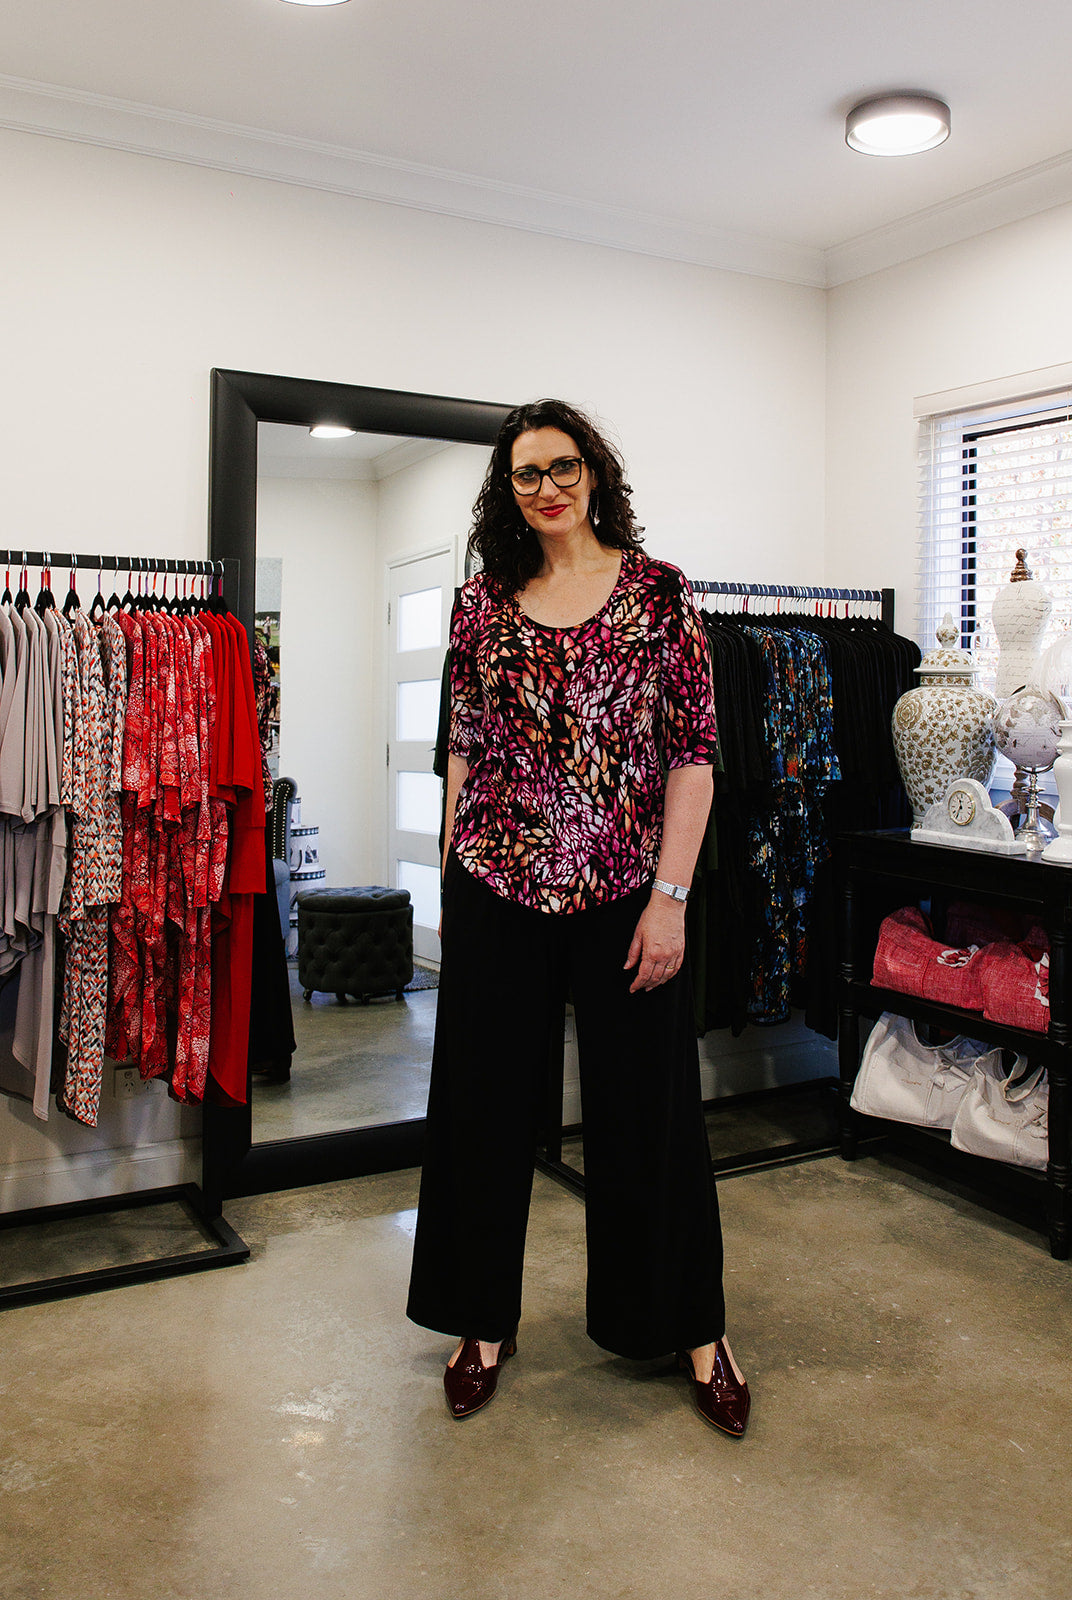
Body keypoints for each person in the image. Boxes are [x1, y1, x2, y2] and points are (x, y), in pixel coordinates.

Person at [405, 399, 750, 1437]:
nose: (547, 487)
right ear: (506, 491)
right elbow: (463, 747)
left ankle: (694, 1329)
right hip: (497, 889)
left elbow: (692, 758)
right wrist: (453, 878)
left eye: (563, 467)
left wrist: (670, 900)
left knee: (651, 1116)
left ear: (594, 473)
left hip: (625, 898)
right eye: (526, 474)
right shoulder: (480, 604)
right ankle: (480, 1324)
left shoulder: (660, 595)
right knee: (481, 1114)